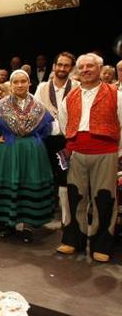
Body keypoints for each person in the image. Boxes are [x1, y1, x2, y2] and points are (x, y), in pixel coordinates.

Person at [57, 53, 121, 262]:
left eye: (90, 66)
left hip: (106, 152)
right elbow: (65, 124)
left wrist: (119, 153)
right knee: (76, 198)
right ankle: (73, 240)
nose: (85, 70)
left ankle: (101, 244)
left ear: (99, 69)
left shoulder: (115, 94)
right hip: (78, 153)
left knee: (104, 199)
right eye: (82, 67)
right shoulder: (71, 97)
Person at [0, 70, 56, 243]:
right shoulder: (1, 105)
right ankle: (8, 223)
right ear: (11, 84)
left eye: (23, 81)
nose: (20, 85)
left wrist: (39, 135)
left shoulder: (38, 105)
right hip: (7, 150)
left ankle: (28, 225)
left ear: (29, 83)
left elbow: (53, 126)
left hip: (31, 151)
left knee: (27, 183)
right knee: (9, 182)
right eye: (16, 82)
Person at [34, 52, 79, 221]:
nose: (62, 68)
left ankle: (66, 219)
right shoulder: (42, 87)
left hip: (66, 139)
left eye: (66, 65)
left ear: (71, 68)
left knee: (64, 175)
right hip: (46, 138)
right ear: (54, 66)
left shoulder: (76, 86)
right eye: (59, 64)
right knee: (45, 173)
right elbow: (37, 111)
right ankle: (46, 211)